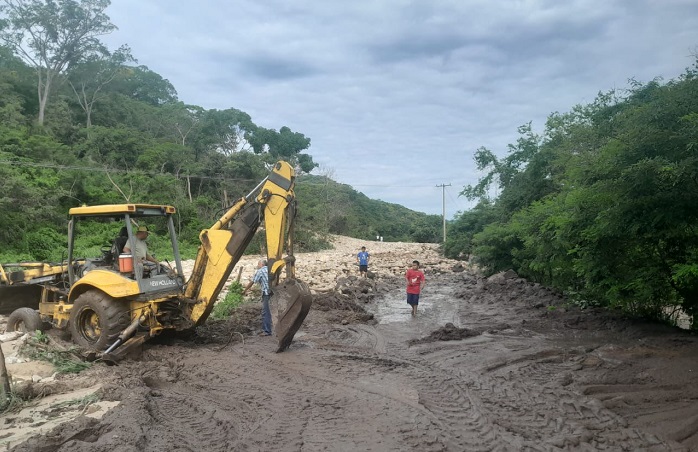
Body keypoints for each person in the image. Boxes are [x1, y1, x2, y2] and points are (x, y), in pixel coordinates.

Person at [242, 259, 272, 336]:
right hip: (273, 293)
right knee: (273, 311)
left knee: (266, 312)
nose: (258, 266)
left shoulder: (260, 271)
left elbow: (253, 281)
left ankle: (267, 331)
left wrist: (245, 290)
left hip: (266, 293)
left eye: (258, 265)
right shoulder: (270, 269)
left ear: (261, 264)